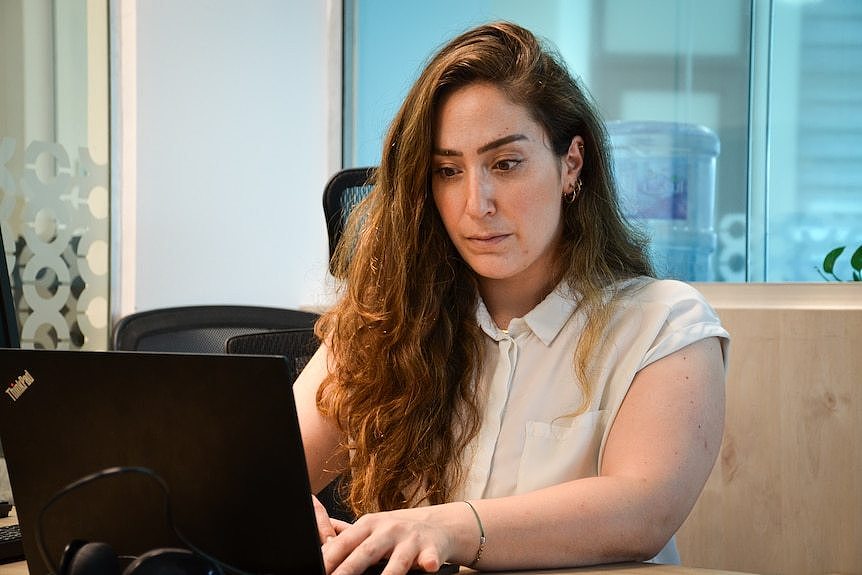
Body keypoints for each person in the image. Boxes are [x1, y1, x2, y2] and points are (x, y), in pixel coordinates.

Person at [294, 21, 729, 575]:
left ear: (571, 163)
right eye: (448, 171)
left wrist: (444, 527)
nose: (477, 203)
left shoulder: (665, 325)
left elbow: (642, 509)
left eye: (506, 163)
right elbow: (264, 468)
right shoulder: (388, 321)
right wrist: (277, 504)